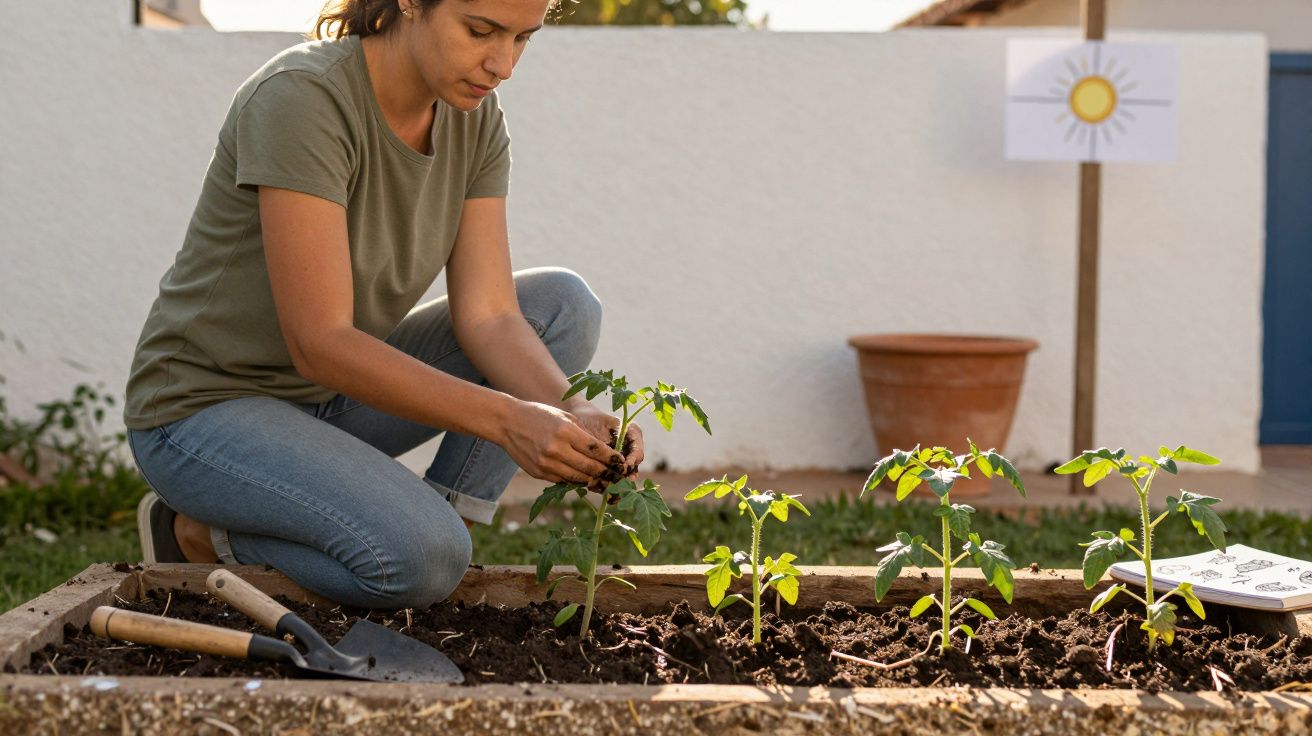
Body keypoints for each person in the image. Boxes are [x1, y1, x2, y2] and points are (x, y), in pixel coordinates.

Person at [123, 0, 642, 610]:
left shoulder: (474, 119)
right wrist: (510, 419)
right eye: (480, 31)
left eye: (523, 39)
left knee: (562, 304)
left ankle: (443, 544)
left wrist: (568, 407)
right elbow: (320, 343)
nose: (502, 64)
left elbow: (492, 315)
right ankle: (196, 533)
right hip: (202, 412)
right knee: (423, 557)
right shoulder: (302, 99)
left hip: (330, 401)